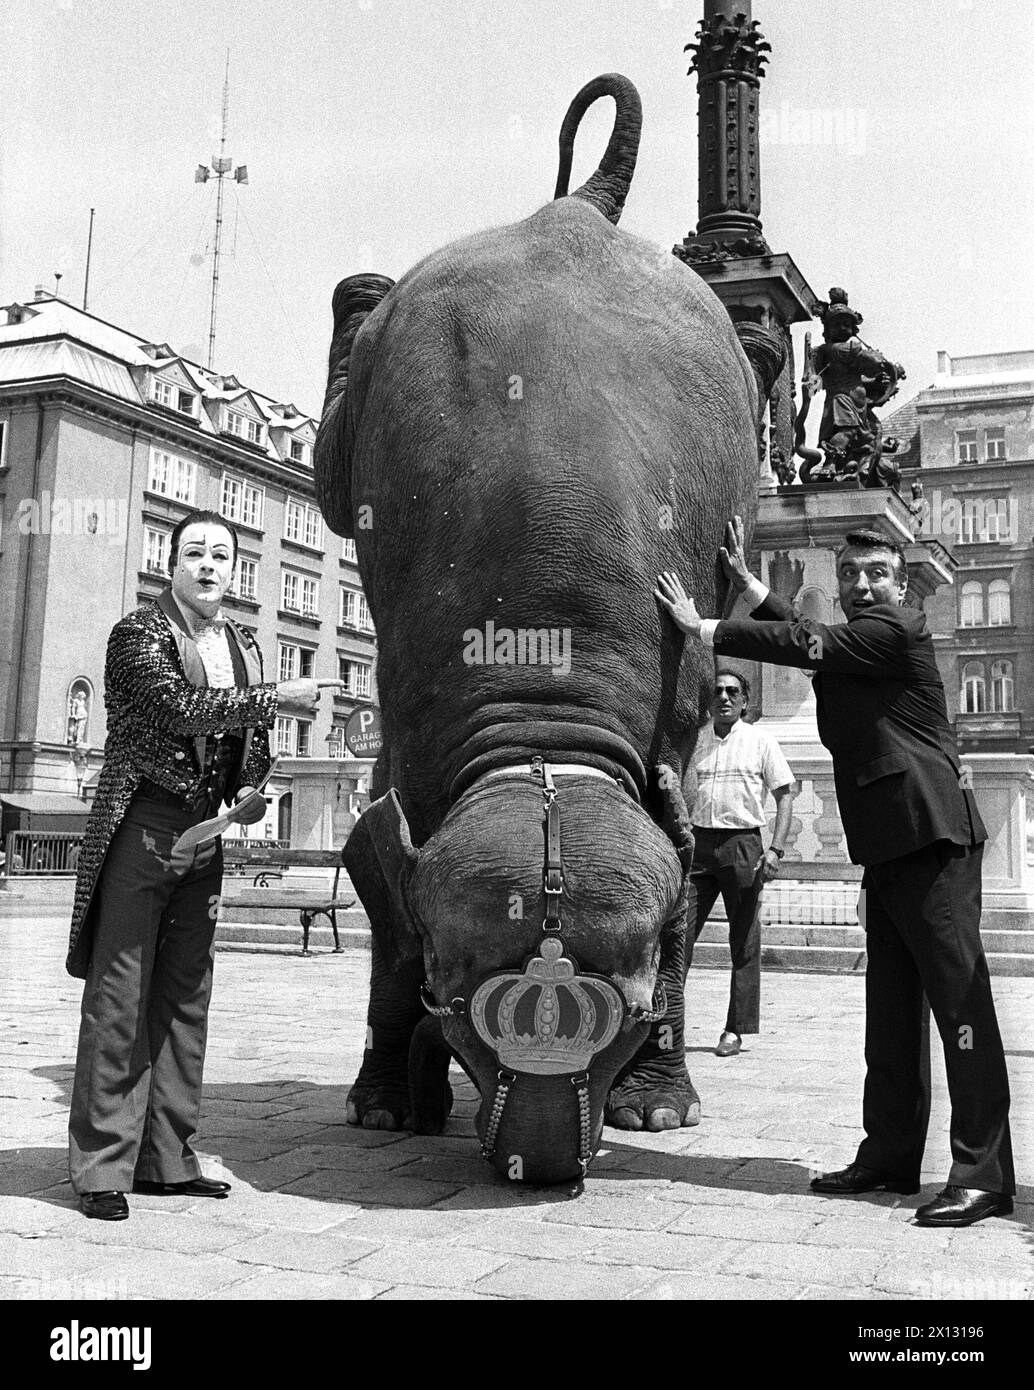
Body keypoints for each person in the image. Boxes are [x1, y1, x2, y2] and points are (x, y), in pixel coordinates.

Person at [655, 520, 1014, 1228]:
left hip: (933, 841)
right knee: (890, 1012)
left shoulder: (899, 631)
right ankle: (888, 1155)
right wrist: (755, 586)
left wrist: (703, 626)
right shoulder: (858, 646)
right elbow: (807, 632)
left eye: (874, 573)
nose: (859, 585)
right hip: (887, 846)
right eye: (848, 575)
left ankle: (984, 1175)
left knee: (961, 1012)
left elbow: (808, 642)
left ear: (900, 581)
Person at [66, 509, 342, 1221]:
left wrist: (251, 788)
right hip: (143, 825)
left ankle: (166, 1159)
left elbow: (250, 741)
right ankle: (101, 1166)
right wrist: (277, 697)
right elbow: (176, 707)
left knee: (188, 996)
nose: (210, 566)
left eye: (223, 555)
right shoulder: (138, 633)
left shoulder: (245, 643)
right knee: (120, 991)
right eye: (196, 554)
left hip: (207, 832)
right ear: (172, 562)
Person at [686, 670, 795, 1057]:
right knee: (678, 936)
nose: (725, 698)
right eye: (717, 692)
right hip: (698, 846)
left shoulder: (761, 741)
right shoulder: (696, 741)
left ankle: (735, 1029)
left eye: (733, 692)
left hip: (743, 845)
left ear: (745, 701)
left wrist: (776, 851)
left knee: (744, 939)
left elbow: (785, 796)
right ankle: (664, 1026)